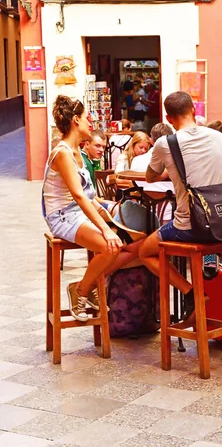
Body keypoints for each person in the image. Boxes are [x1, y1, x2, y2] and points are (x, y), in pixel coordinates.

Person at [138, 91, 222, 350]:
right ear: (193, 108)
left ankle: (192, 292)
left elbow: (149, 176)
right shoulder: (218, 137)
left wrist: (169, 171)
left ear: (168, 117)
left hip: (189, 228)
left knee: (145, 251)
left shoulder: (164, 144)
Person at [42, 96, 145, 322]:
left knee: (131, 241)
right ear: (76, 120)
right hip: (62, 215)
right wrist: (106, 230)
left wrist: (110, 213)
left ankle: (92, 285)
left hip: (77, 213)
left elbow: (90, 197)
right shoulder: (62, 152)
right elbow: (78, 197)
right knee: (110, 246)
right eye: (87, 118)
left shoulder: (78, 151)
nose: (90, 122)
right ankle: (81, 289)